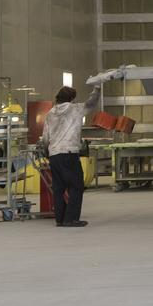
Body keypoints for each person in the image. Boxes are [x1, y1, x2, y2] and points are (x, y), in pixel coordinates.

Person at [41, 84, 102, 227]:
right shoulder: (76, 109)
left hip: (54, 155)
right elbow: (91, 103)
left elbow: (45, 137)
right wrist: (97, 89)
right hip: (69, 153)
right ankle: (71, 219)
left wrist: (46, 153)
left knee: (58, 188)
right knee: (76, 186)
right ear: (71, 98)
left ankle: (60, 219)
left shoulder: (50, 113)